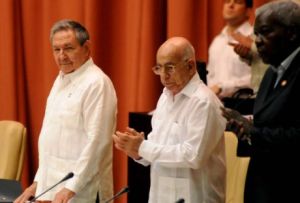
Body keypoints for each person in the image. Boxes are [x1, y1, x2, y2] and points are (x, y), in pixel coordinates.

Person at [14, 20, 117, 203]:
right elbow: (51, 141)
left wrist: (71, 188)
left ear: (86, 48)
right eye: (56, 49)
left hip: (83, 192)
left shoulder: (97, 83)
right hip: (52, 188)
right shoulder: (61, 79)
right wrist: (37, 182)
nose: (62, 56)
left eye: (68, 48)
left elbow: (98, 142)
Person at [113, 37, 226, 203]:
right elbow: (156, 145)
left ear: (190, 66)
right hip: (161, 195)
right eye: (159, 68)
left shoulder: (203, 102)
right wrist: (137, 152)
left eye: (170, 68)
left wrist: (143, 147)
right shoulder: (165, 98)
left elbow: (193, 155)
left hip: (195, 197)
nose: (164, 76)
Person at [222, 1, 300, 202]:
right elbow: (267, 124)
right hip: (263, 185)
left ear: (292, 33)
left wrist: (253, 132)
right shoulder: (270, 73)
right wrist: (243, 129)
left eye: (265, 32)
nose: (257, 41)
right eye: (255, 34)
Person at [207, 0, 253, 99]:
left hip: (245, 105)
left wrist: (222, 87)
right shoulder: (217, 41)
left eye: (238, 2)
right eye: (227, 1)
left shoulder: (254, 38)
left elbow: (260, 76)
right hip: (215, 105)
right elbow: (210, 75)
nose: (230, 5)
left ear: (248, 10)